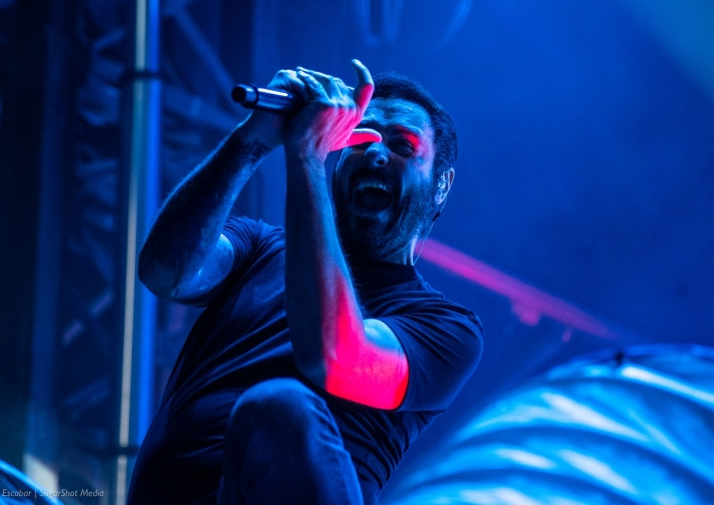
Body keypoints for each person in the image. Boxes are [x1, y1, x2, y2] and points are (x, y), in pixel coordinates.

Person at [127, 60, 483, 505]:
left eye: (403, 146)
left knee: (278, 409)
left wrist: (307, 155)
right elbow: (164, 271)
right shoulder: (259, 246)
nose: (376, 154)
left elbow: (333, 357)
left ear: (441, 186)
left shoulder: (446, 328)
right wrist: (252, 138)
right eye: (362, 139)